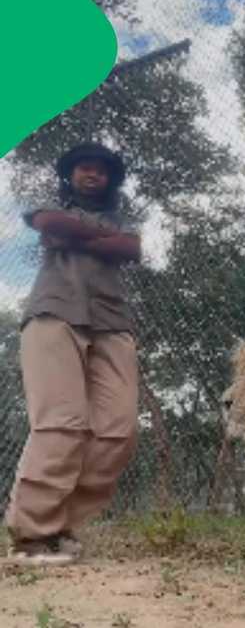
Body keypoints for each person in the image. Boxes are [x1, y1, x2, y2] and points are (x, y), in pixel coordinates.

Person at [5, 142, 142, 566]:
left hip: (112, 322)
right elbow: (46, 221)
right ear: (71, 175)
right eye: (83, 168)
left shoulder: (124, 219)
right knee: (62, 423)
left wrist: (76, 234)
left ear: (110, 180)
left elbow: (130, 250)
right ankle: (30, 537)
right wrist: (103, 238)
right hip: (54, 312)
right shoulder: (52, 206)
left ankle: (60, 526)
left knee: (118, 429)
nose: (91, 174)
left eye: (100, 170)